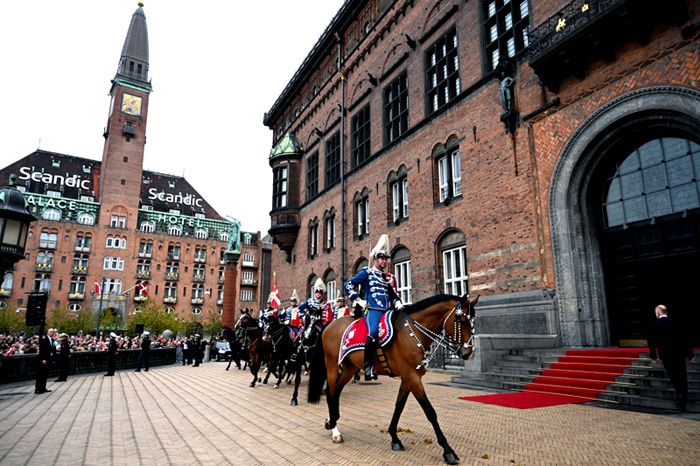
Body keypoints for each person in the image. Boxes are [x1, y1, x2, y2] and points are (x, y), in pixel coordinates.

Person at [345, 234, 403, 381]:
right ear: (375, 259)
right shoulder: (366, 273)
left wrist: (397, 301)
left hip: (387, 311)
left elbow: (392, 294)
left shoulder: (385, 277)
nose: (384, 261)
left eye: (385, 259)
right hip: (372, 309)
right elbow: (348, 285)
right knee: (374, 331)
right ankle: (368, 365)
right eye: (382, 258)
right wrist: (358, 300)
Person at [648, 304, 694, 411]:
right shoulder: (676, 323)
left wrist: (653, 356)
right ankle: (683, 395)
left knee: (673, 374)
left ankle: (679, 394)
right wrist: (690, 354)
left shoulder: (654, 325)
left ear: (658, 313)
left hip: (665, 354)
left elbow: (651, 342)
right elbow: (685, 339)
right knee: (682, 374)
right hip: (679, 353)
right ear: (666, 312)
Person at [35, 328, 56, 394]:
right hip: (43, 360)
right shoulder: (44, 339)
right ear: (48, 332)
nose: (52, 333)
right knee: (40, 375)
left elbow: (53, 350)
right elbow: (42, 350)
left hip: (48, 359)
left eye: (53, 332)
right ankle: (37, 389)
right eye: (51, 332)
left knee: (45, 375)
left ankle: (43, 387)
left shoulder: (52, 340)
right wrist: (42, 359)